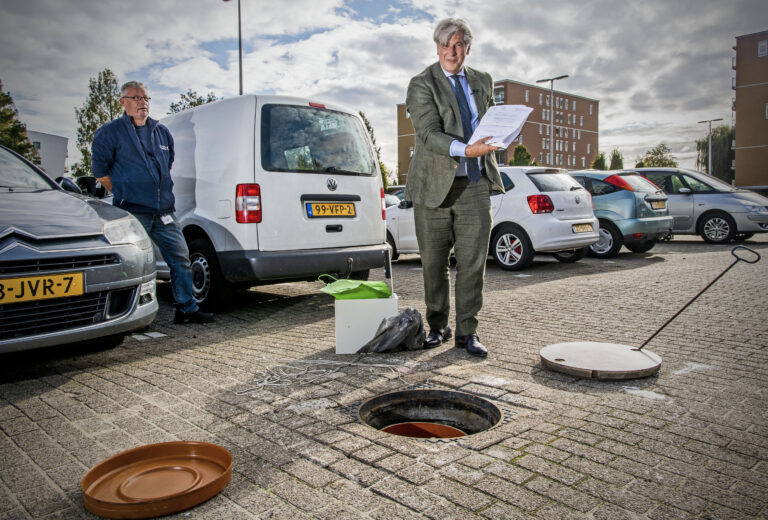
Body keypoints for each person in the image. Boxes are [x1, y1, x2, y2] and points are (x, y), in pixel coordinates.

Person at [405, 18, 502, 357]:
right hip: (434, 188)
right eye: (445, 45)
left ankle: (467, 333)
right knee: (433, 264)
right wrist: (466, 149)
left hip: (475, 182)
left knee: (473, 264)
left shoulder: (483, 81)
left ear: (468, 48)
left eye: (458, 45)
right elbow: (428, 134)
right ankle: (438, 326)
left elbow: (488, 122)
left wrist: (501, 135)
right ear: (437, 48)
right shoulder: (421, 83)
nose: (451, 51)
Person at [92, 81, 214, 324]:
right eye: (136, 98)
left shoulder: (161, 132)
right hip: (133, 212)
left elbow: (166, 166)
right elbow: (101, 173)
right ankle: (125, 315)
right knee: (133, 263)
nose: (142, 103)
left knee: (181, 258)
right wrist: (127, 191)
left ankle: (186, 309)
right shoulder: (109, 133)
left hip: (164, 212)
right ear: (123, 102)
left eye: (146, 98)